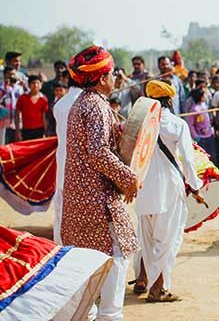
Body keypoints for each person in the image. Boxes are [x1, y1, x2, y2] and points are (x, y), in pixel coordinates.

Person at [61, 45, 139, 321]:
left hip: (78, 201)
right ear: (102, 77)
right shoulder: (94, 105)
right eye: (112, 72)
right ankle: (110, 315)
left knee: (87, 267)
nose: (116, 77)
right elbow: (97, 151)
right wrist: (128, 178)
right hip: (97, 201)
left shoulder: (81, 103)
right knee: (118, 258)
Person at [132, 80, 205, 303]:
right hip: (169, 190)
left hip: (143, 189)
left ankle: (145, 280)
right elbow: (188, 160)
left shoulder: (138, 125)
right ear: (170, 100)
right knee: (167, 241)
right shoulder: (176, 124)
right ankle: (158, 290)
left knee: (147, 241)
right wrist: (196, 186)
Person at [52, 77, 82, 245]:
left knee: (61, 209)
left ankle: (60, 247)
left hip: (63, 162)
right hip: (79, 167)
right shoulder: (86, 104)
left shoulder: (59, 104)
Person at [15, 75, 48, 140]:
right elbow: (17, 115)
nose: (35, 85)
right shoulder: (22, 98)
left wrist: (45, 131)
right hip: (26, 130)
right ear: (29, 85)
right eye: (33, 83)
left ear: (41, 85)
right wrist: (18, 131)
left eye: (37, 83)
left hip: (39, 130)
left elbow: (44, 117)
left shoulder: (43, 99)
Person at [185, 88, 216, 159]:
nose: (205, 97)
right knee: (204, 157)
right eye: (203, 95)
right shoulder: (194, 109)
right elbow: (190, 124)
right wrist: (196, 137)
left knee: (212, 156)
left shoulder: (205, 105)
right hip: (201, 138)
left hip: (209, 135)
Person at [1, 66, 23, 143]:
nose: (12, 76)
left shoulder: (20, 88)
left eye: (14, 74)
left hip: (18, 124)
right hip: (4, 124)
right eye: (9, 74)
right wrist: (6, 89)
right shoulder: (1, 88)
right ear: (4, 75)